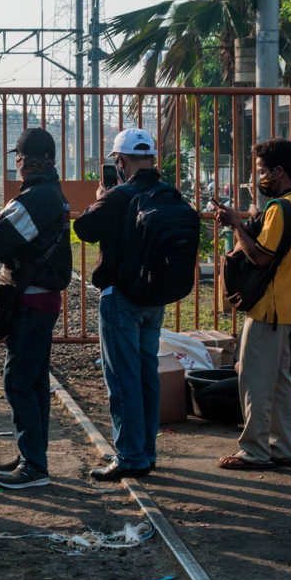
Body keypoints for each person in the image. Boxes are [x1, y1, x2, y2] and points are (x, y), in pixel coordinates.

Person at [73, 128, 167, 481]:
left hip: (122, 298)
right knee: (146, 374)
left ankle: (129, 457)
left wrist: (101, 197)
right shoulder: (167, 192)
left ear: (120, 161)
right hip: (155, 299)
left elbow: (84, 229)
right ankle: (147, 451)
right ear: (152, 160)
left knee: (123, 376)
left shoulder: (119, 195)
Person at [212, 138, 291, 470]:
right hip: (285, 308)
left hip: (269, 308)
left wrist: (236, 225)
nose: (260, 178)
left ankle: (254, 450)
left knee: (253, 378)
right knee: (279, 382)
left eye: (263, 171)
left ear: (279, 172)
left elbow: (260, 258)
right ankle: (283, 447)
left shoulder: (280, 209)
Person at [0, 128, 72, 489]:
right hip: (39, 299)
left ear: (25, 161)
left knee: (18, 380)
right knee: (34, 381)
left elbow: (3, 242)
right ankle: (31, 455)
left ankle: (35, 466)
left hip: (33, 301)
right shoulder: (45, 193)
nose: (18, 166)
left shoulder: (37, 197)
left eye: (18, 159)